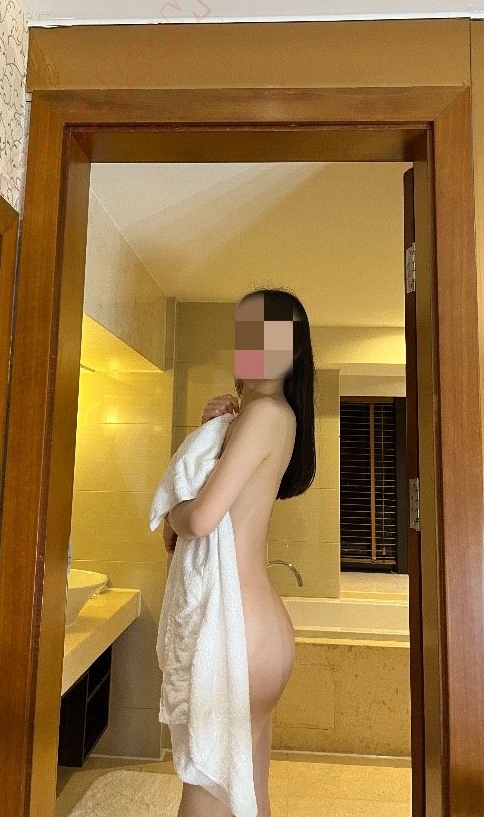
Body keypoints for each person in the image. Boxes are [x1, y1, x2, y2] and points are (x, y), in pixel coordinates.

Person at [164, 287, 316, 817]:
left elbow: (199, 520)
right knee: (246, 793)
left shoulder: (263, 414)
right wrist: (212, 429)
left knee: (205, 792)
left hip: (237, 634)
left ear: (294, 348)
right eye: (246, 329)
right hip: (257, 631)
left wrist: (171, 512)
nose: (253, 342)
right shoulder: (268, 416)